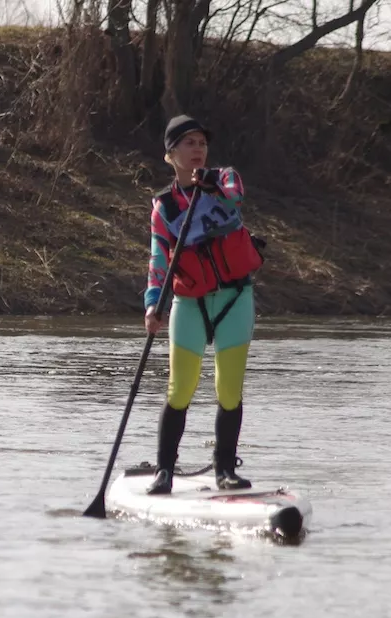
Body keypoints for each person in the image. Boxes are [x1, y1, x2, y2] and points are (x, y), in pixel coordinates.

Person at [144, 115, 265, 494]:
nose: (197, 149)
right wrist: (153, 306)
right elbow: (159, 262)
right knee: (180, 389)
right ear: (171, 155)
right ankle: (164, 471)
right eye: (188, 143)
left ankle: (224, 471)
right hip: (190, 303)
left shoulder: (225, 179)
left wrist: (210, 184)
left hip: (234, 299)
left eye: (201, 143)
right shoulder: (164, 207)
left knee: (228, 391)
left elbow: (236, 195)